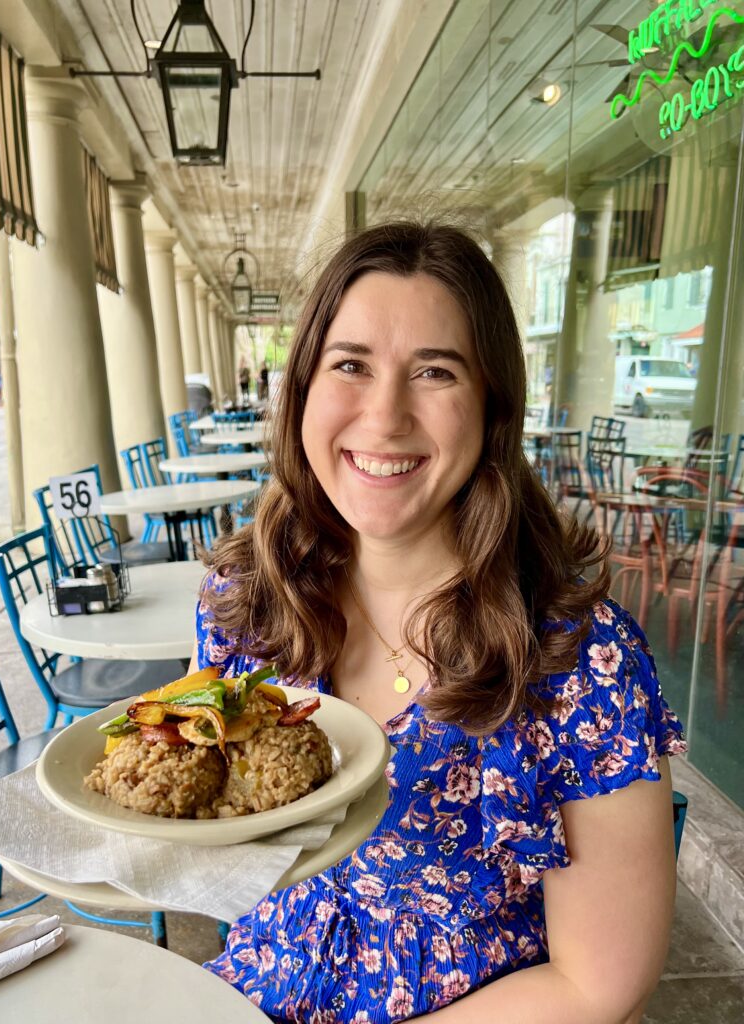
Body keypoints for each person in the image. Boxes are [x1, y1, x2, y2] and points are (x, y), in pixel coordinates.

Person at [193, 222, 687, 1022]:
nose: (385, 418)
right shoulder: (243, 602)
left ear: (491, 405)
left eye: (434, 372)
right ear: (303, 392)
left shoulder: (580, 660)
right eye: (349, 365)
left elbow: (600, 982)